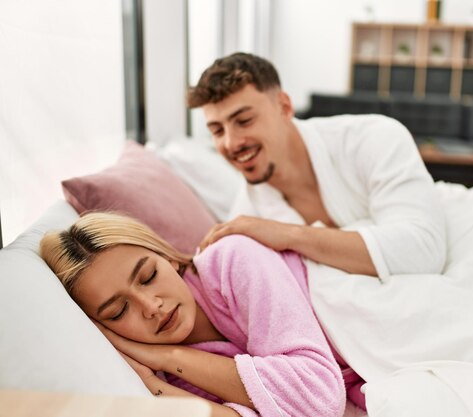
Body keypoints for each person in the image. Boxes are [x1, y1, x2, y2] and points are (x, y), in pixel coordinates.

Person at [40, 212, 365, 417]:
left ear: (168, 257)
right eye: (119, 310)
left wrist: (168, 355)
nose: (151, 307)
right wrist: (157, 384)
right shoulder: (181, 377)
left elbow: (320, 399)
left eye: (149, 275)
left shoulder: (232, 260)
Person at [189, 52, 446, 281]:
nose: (231, 143)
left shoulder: (374, 138)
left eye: (244, 121)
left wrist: (291, 236)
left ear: (284, 106)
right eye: (217, 130)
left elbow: (423, 250)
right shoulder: (247, 214)